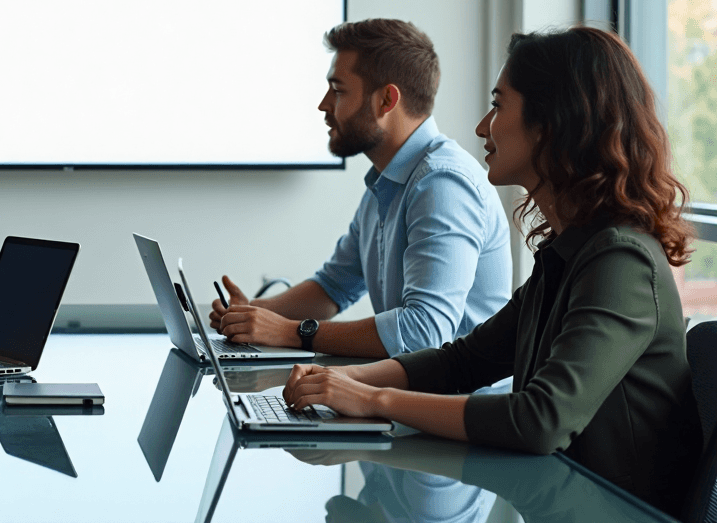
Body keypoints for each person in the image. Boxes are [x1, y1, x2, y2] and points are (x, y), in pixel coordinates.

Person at [281, 26, 702, 516]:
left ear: (553, 123)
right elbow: (462, 362)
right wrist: (341, 383)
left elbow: (540, 419)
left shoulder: (621, 261)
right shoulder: (570, 253)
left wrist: (374, 400)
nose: (483, 127)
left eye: (498, 106)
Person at [211, 19, 512, 359]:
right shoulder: (386, 183)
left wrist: (287, 331)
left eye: (338, 90)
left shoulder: (442, 184)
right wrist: (251, 314)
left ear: (386, 100)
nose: (324, 105)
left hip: (455, 392)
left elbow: (422, 334)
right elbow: (332, 287)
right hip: (406, 385)